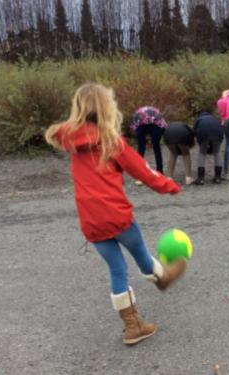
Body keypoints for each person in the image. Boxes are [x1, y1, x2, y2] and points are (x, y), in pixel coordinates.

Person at [45, 84, 187, 346]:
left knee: (117, 269)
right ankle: (162, 278)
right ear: (106, 108)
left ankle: (132, 327)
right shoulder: (111, 142)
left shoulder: (70, 141)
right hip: (117, 217)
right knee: (142, 258)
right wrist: (171, 186)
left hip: (91, 223)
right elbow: (143, 171)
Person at [131, 106, 168, 175]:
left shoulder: (138, 113)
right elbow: (163, 126)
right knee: (156, 146)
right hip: (150, 122)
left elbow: (134, 127)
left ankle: (139, 171)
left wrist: (141, 139)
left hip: (145, 121)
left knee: (141, 146)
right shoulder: (155, 112)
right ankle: (160, 171)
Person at [193, 111, 224, 185]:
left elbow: (195, 132)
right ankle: (218, 178)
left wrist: (201, 144)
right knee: (217, 153)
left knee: (202, 154)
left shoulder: (199, 120)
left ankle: (201, 178)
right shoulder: (215, 119)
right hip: (217, 135)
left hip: (204, 135)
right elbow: (221, 129)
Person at [163, 121, 195, 186]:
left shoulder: (169, 125)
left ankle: (169, 177)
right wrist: (188, 147)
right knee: (186, 155)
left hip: (168, 136)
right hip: (182, 136)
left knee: (173, 154)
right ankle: (188, 178)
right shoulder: (186, 126)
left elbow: (164, 136)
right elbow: (191, 138)